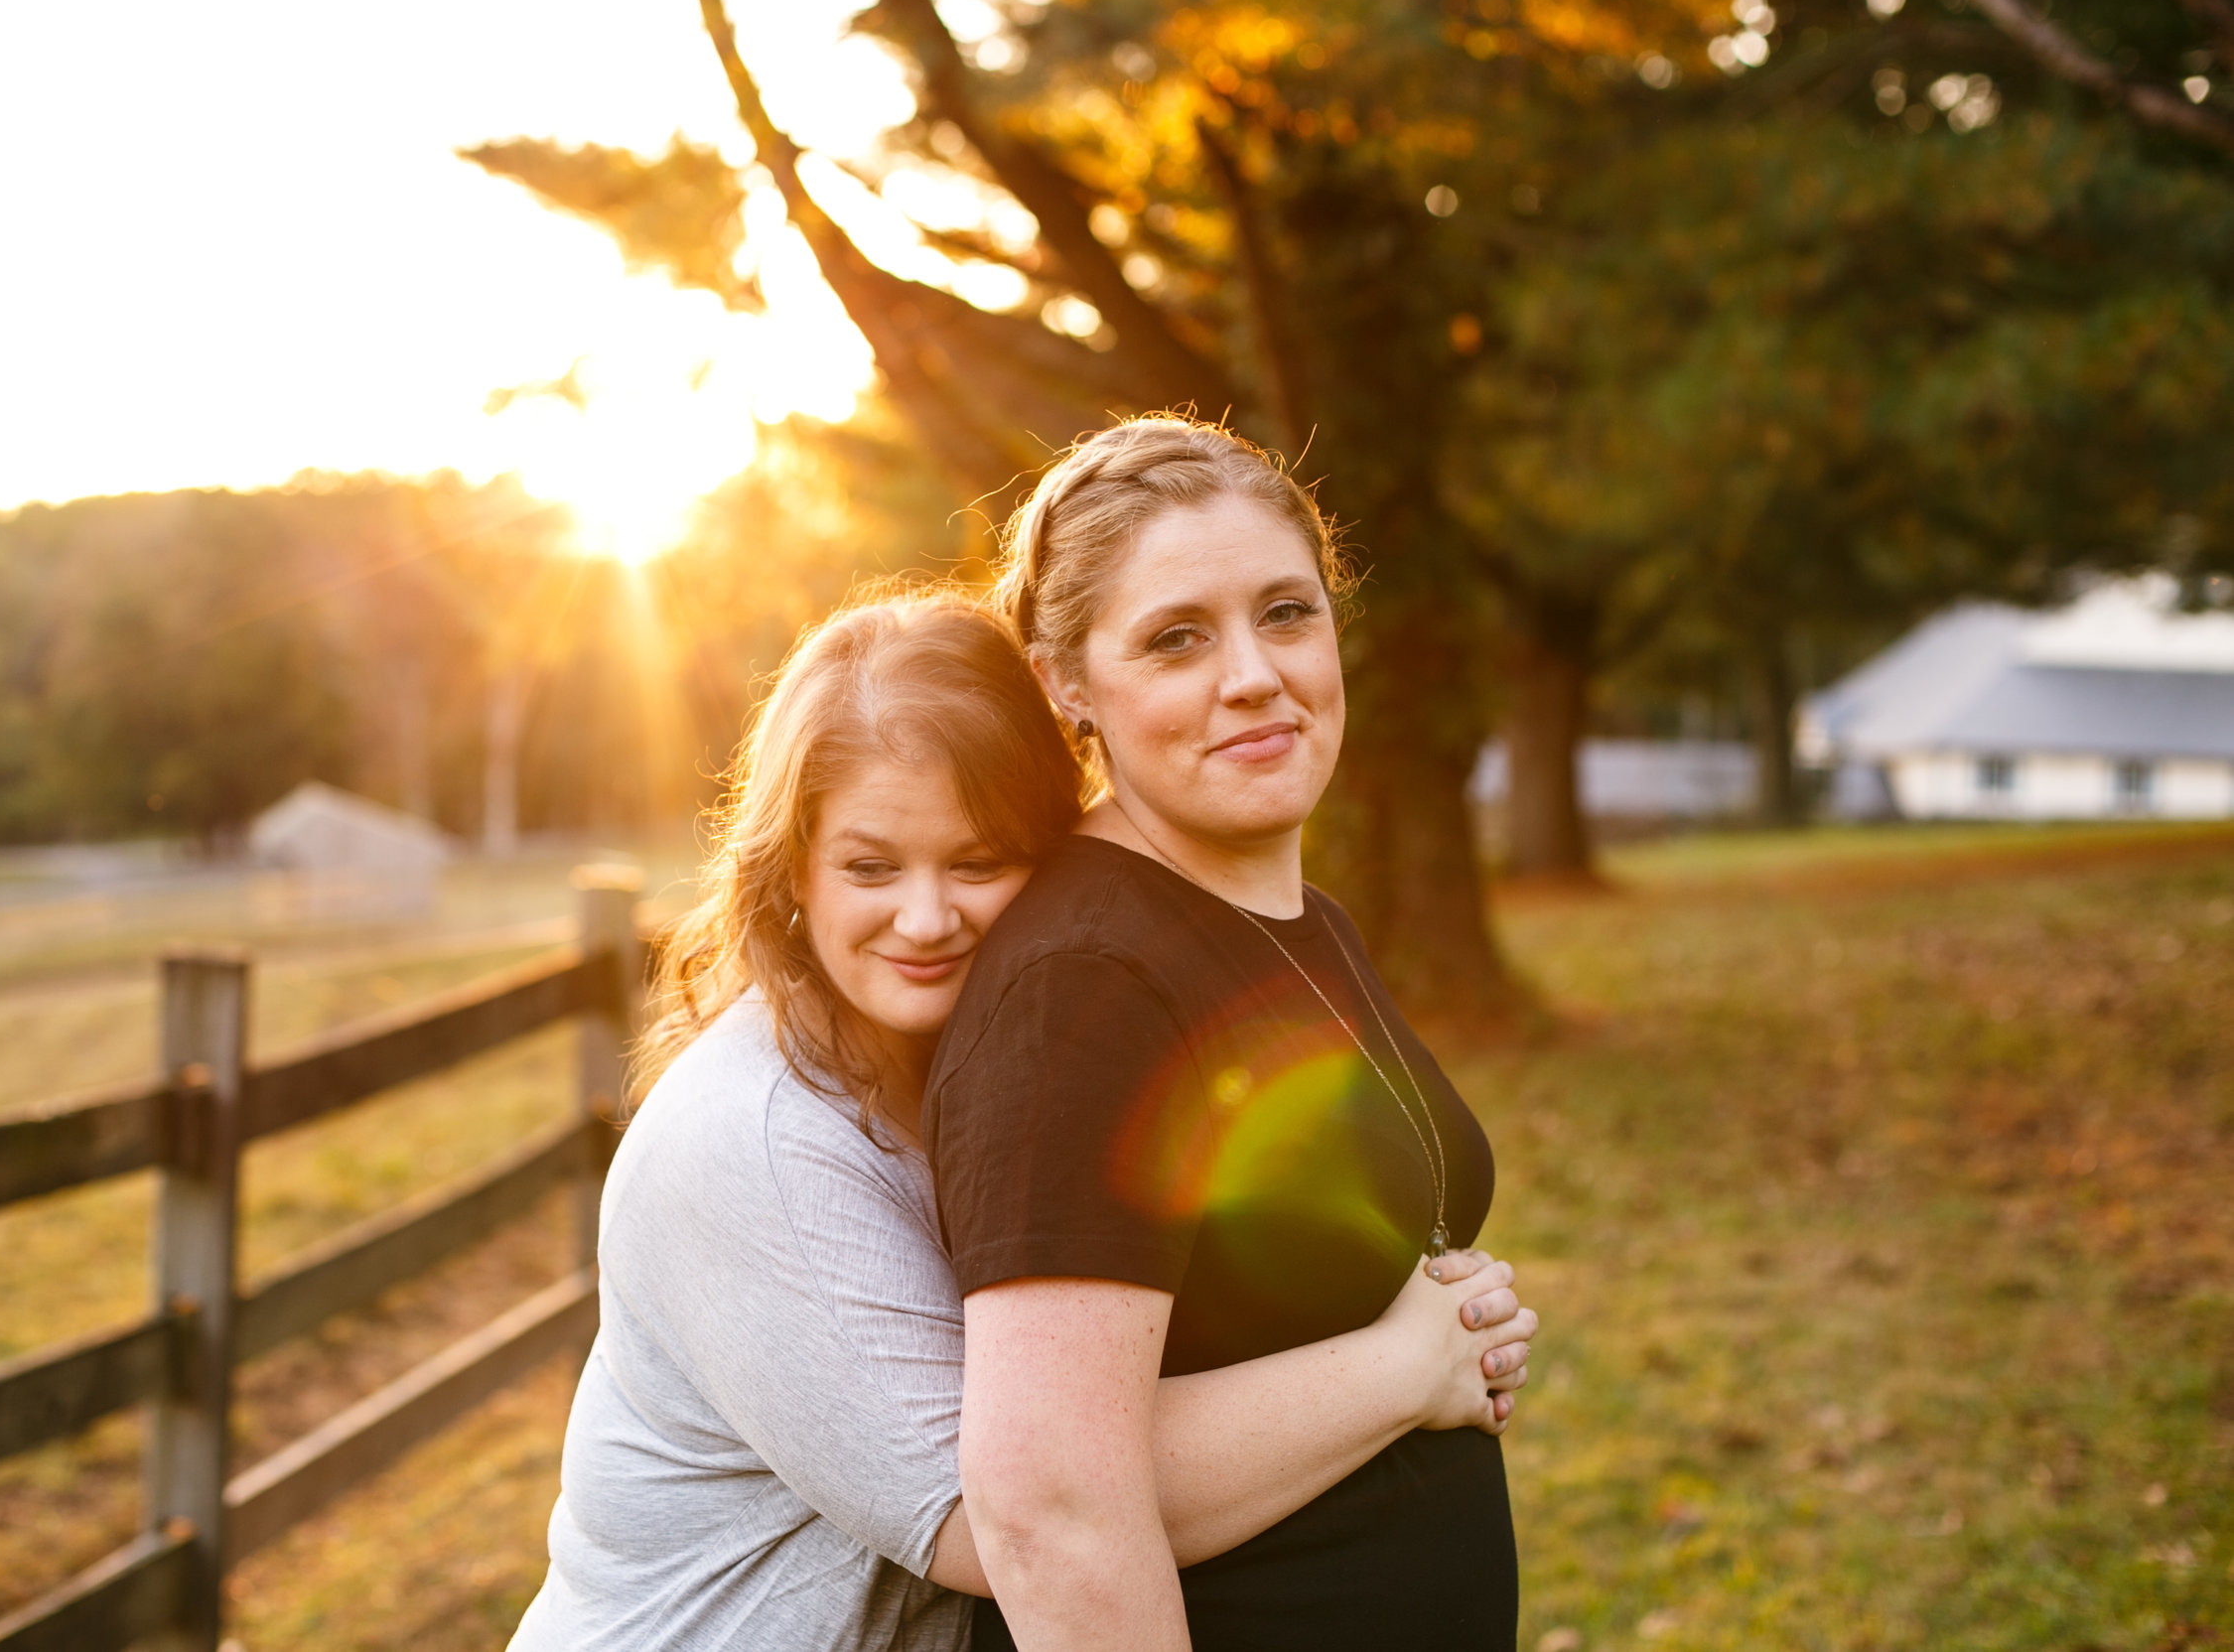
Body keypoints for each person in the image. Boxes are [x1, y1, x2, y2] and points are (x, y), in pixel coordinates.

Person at [507, 590, 1534, 1652]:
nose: (924, 917)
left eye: (977, 860)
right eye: (870, 865)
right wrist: (1401, 1370)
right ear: (791, 872)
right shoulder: (754, 1142)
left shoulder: (975, 1056)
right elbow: (1010, 1520)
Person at [926, 415, 1522, 1650]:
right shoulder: (1083, 982)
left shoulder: (1288, 910)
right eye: (1176, 637)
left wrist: (1443, 1339)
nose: (1252, 673)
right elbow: (1049, 1509)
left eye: (1286, 613)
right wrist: (1408, 1370)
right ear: (1066, 682)